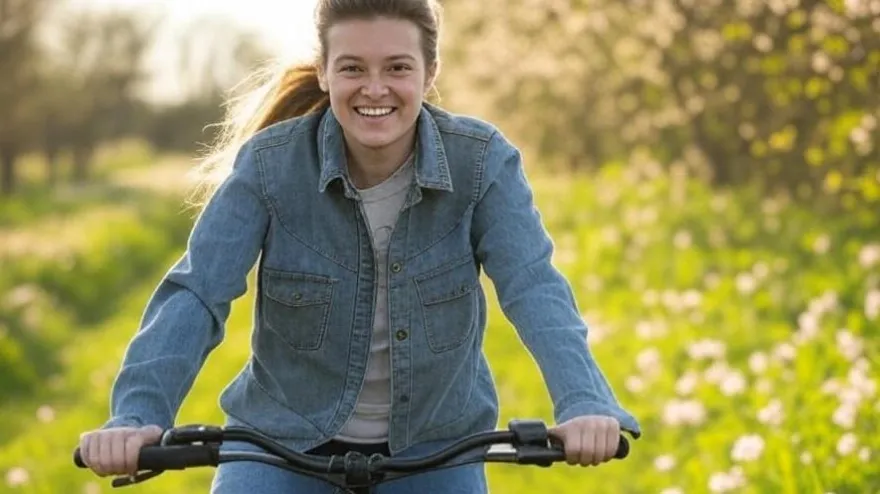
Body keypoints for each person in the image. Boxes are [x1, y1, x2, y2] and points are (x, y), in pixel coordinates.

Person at [77, 0, 641, 492]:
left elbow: (533, 285)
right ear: (324, 72)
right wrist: (138, 414)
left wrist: (584, 403)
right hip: (282, 447)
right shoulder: (270, 167)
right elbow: (198, 293)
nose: (375, 88)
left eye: (397, 67)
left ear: (430, 71)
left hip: (434, 447)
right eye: (352, 68)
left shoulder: (483, 163)